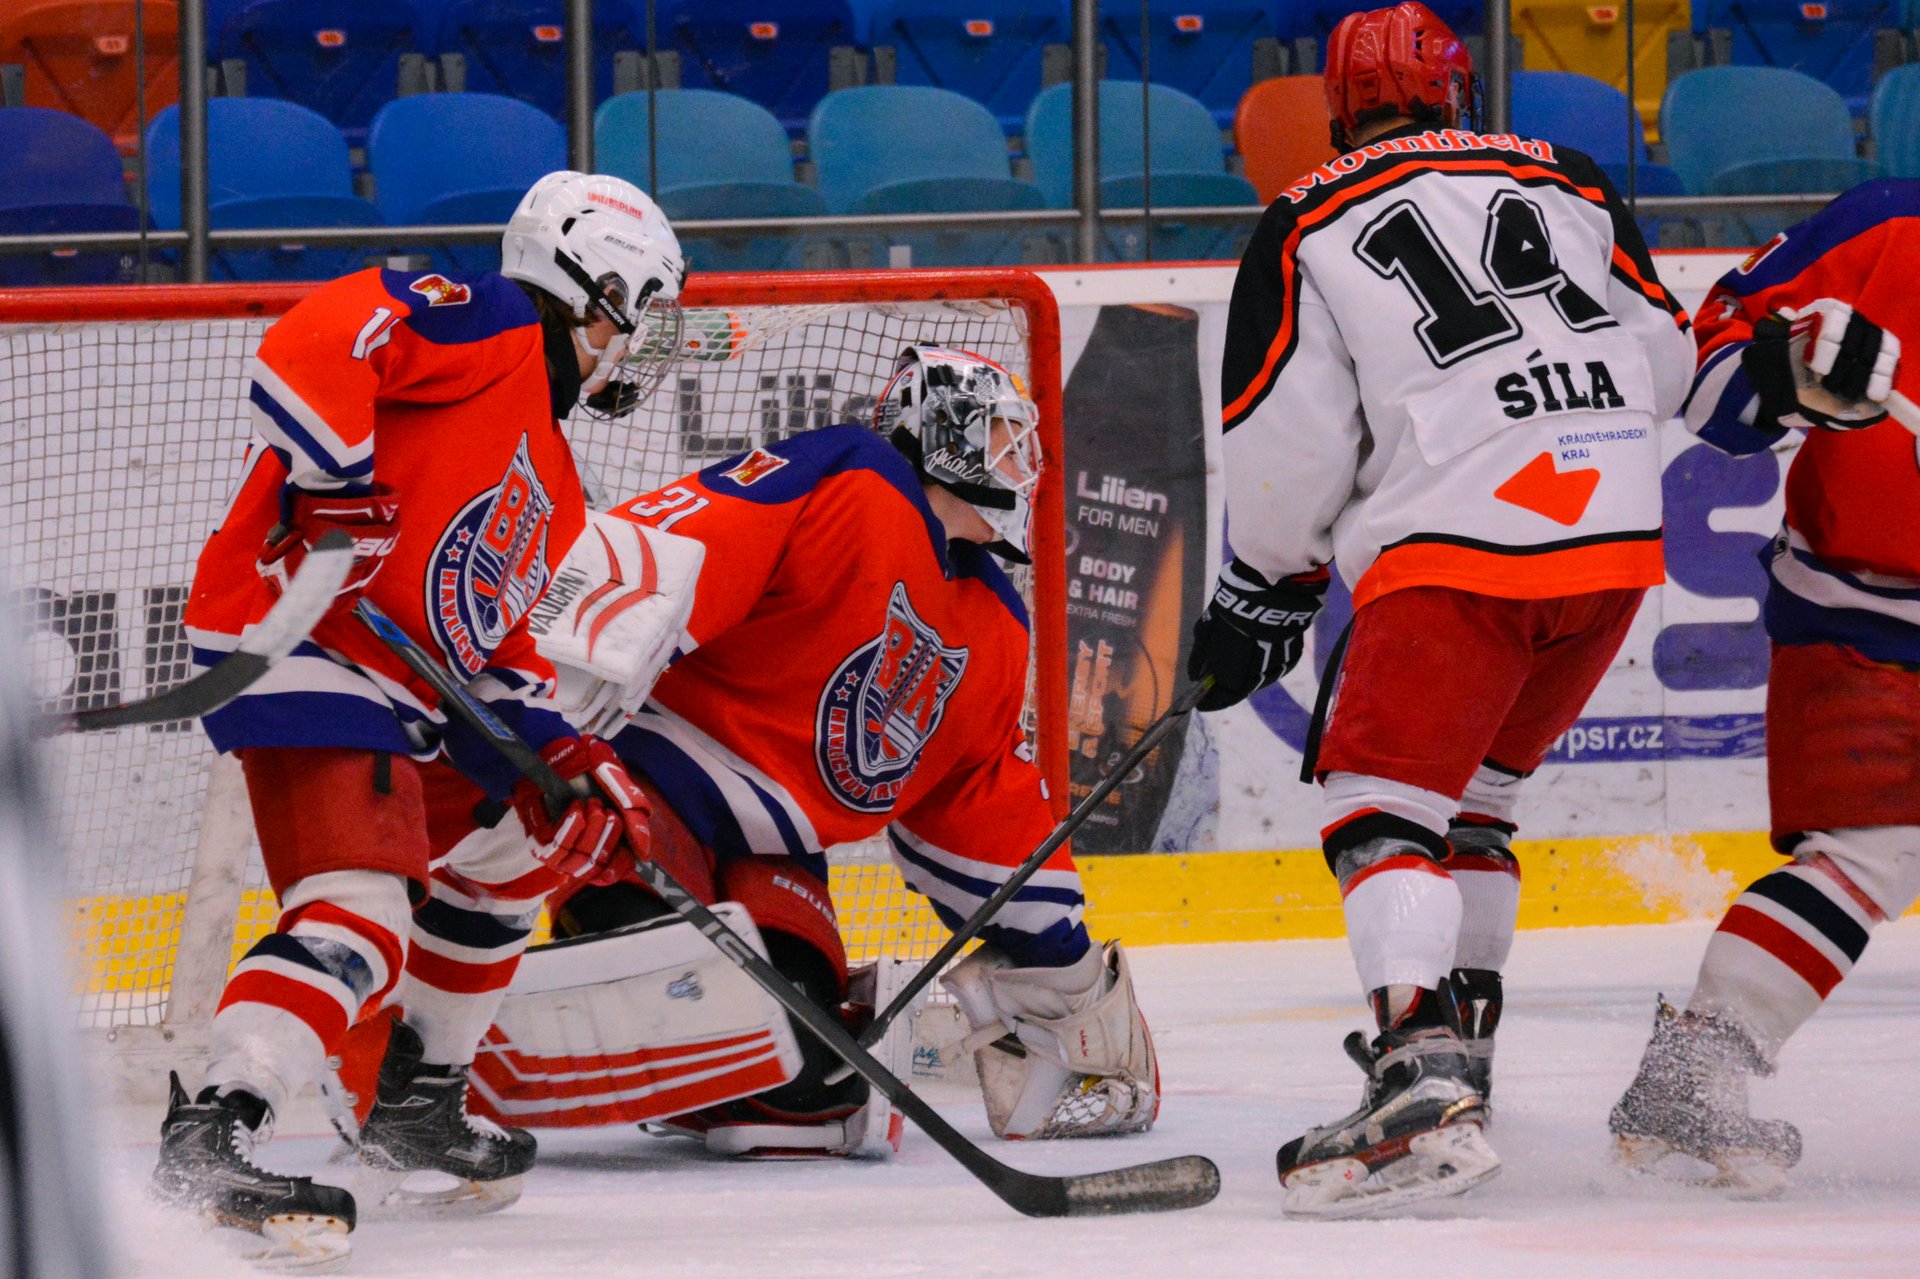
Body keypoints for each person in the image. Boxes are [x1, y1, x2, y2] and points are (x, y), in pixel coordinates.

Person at [340, 346, 1162, 1158]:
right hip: (642, 800)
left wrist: (1061, 955)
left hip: (773, 856)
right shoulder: (855, 476)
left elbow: (979, 799)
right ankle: (393, 1066)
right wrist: (538, 702)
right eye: (1002, 436)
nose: (1022, 464)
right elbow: (675, 548)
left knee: (814, 1081)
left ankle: (692, 1083)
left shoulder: (994, 619)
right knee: (663, 985)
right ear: (939, 431)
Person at [1185, 1, 1693, 1218]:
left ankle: (1417, 1073)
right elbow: (1668, 362)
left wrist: (1265, 586)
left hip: (1462, 540)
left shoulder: (1306, 218)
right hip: (1613, 534)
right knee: (1477, 801)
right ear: (1459, 90)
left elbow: (1290, 436)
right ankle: (1466, 1054)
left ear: (1336, 109)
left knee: (1379, 809)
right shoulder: (1570, 177)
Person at [153, 171, 686, 1266]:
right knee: (359, 913)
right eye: (638, 313)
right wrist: (335, 473)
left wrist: (564, 754)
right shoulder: (490, 323)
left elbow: (493, 645)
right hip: (298, 632)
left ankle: (413, 1102)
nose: (638, 343)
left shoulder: (555, 479)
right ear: (594, 290)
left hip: (398, 684)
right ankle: (216, 1127)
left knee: (519, 845)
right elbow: (323, 334)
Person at [1611, 179, 1918, 1197]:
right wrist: (1784, 373)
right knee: (1869, 852)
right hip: (1866, 613)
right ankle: (1693, 1074)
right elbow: (1711, 364)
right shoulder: (1886, 225)